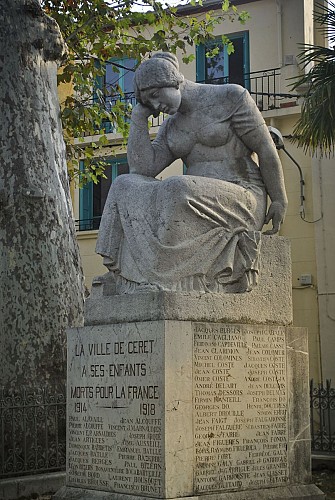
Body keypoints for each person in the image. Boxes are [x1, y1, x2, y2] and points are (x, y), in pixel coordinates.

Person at [96, 52, 288, 293]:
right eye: (149, 102)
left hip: (242, 197)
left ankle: (159, 277)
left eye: (155, 95)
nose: (156, 106)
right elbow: (142, 170)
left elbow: (265, 149)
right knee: (124, 183)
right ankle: (122, 275)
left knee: (177, 186)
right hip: (193, 198)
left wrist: (279, 199)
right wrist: (138, 118)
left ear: (173, 79)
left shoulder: (230, 97)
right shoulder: (172, 126)